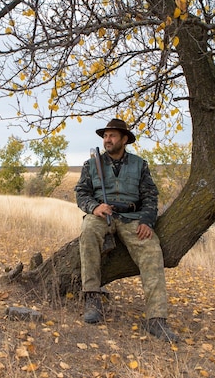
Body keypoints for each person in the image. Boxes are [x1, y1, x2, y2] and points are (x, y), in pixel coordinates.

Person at [74, 118, 179, 342]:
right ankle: (92, 297)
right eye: (105, 136)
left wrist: (147, 221)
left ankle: (157, 319)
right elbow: (81, 193)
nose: (107, 139)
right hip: (103, 214)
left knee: (152, 250)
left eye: (112, 136)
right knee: (88, 230)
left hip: (132, 218)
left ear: (124, 140)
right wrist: (94, 207)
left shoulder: (140, 164)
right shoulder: (91, 164)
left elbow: (151, 197)